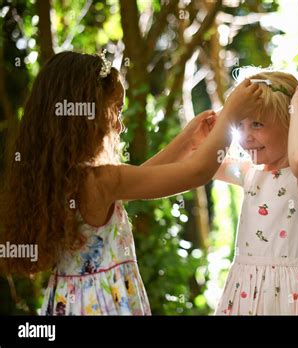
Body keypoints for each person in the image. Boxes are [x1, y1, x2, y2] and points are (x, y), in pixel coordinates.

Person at [1, 51, 262, 315]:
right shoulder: (102, 180)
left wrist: (188, 140)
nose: (120, 125)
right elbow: (197, 172)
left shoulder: (63, 179)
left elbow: (141, 178)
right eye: (115, 109)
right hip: (104, 305)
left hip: (67, 303)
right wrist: (231, 114)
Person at [214, 69, 298, 315]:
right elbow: (200, 164)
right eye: (240, 126)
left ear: (292, 125)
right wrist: (218, 123)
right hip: (245, 297)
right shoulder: (250, 173)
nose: (246, 138)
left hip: (292, 300)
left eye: (257, 124)